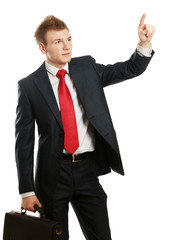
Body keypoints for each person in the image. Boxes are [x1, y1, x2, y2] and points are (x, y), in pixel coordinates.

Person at [15, 14, 155, 240]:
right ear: (43, 47)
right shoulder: (29, 86)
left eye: (69, 39)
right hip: (52, 176)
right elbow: (23, 143)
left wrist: (144, 43)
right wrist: (27, 191)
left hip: (87, 170)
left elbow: (129, 69)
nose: (67, 46)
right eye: (58, 42)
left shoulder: (86, 68)